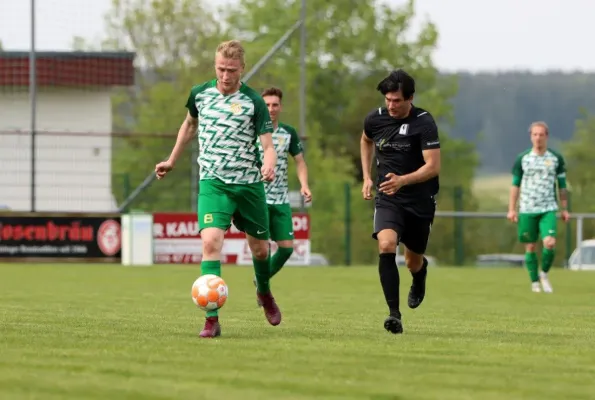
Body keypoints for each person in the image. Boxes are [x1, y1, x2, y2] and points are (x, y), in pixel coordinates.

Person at [154, 40, 282, 338]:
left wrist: (269, 164)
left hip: (249, 185)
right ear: (215, 66)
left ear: (242, 69)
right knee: (210, 243)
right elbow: (189, 125)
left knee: (261, 250)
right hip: (213, 183)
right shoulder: (200, 94)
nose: (225, 76)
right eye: (221, 69)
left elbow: (268, 145)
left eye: (232, 71)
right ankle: (211, 319)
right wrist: (172, 159)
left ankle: (264, 292)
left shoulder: (253, 101)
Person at [360, 69, 441, 334]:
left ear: (410, 98)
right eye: (388, 100)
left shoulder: (424, 122)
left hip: (420, 201)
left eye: (397, 100)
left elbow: (433, 167)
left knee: (412, 261)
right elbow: (365, 139)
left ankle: (420, 275)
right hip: (388, 197)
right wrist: (367, 177)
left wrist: (403, 180)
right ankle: (394, 314)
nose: (392, 105)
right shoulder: (376, 119)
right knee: (386, 244)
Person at [235, 87, 311, 302]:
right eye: (267, 104)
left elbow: (300, 162)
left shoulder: (288, 133)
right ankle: (264, 289)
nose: (271, 108)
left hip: (281, 201)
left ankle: (261, 281)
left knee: (287, 250)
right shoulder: (251, 131)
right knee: (262, 250)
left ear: (281, 106)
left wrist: (304, 185)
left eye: (275, 104)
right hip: (256, 199)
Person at [507, 121, 570, 293]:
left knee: (549, 243)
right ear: (530, 136)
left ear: (546, 136)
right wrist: (512, 208)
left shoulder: (555, 158)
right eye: (535, 134)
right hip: (527, 208)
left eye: (541, 134)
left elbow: (562, 186)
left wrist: (564, 208)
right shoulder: (523, 158)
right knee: (531, 246)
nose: (538, 138)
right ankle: (534, 282)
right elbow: (515, 185)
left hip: (548, 207)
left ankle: (544, 274)